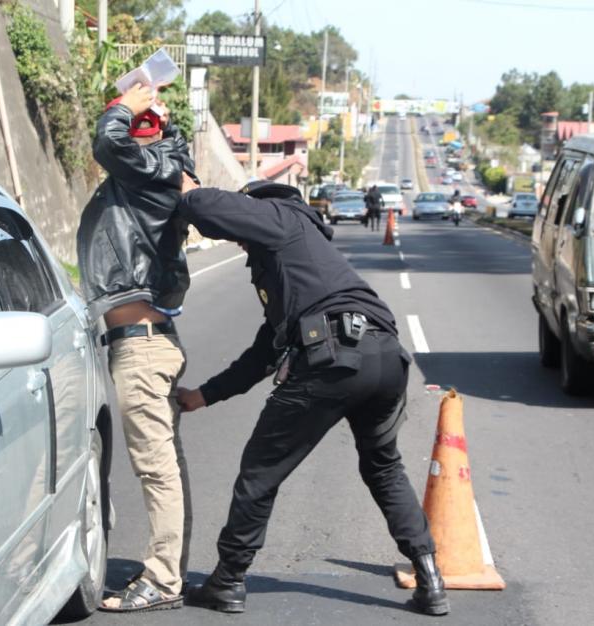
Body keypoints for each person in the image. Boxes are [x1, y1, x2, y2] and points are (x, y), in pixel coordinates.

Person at [174, 177, 449, 617]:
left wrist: (188, 191)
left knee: (260, 471)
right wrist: (204, 395)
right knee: (383, 467)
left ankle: (228, 580)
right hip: (385, 358)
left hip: (334, 358)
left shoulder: (281, 216)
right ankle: (431, 578)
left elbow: (208, 209)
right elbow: (264, 353)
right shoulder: (301, 267)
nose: (244, 246)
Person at [77, 83, 197, 612]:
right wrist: (158, 121)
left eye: (135, 123)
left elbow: (108, 142)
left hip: (143, 348)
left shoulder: (152, 171)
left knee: (157, 468)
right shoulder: (158, 168)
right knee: (163, 464)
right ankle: (169, 572)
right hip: (143, 342)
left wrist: (125, 107)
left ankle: (164, 579)